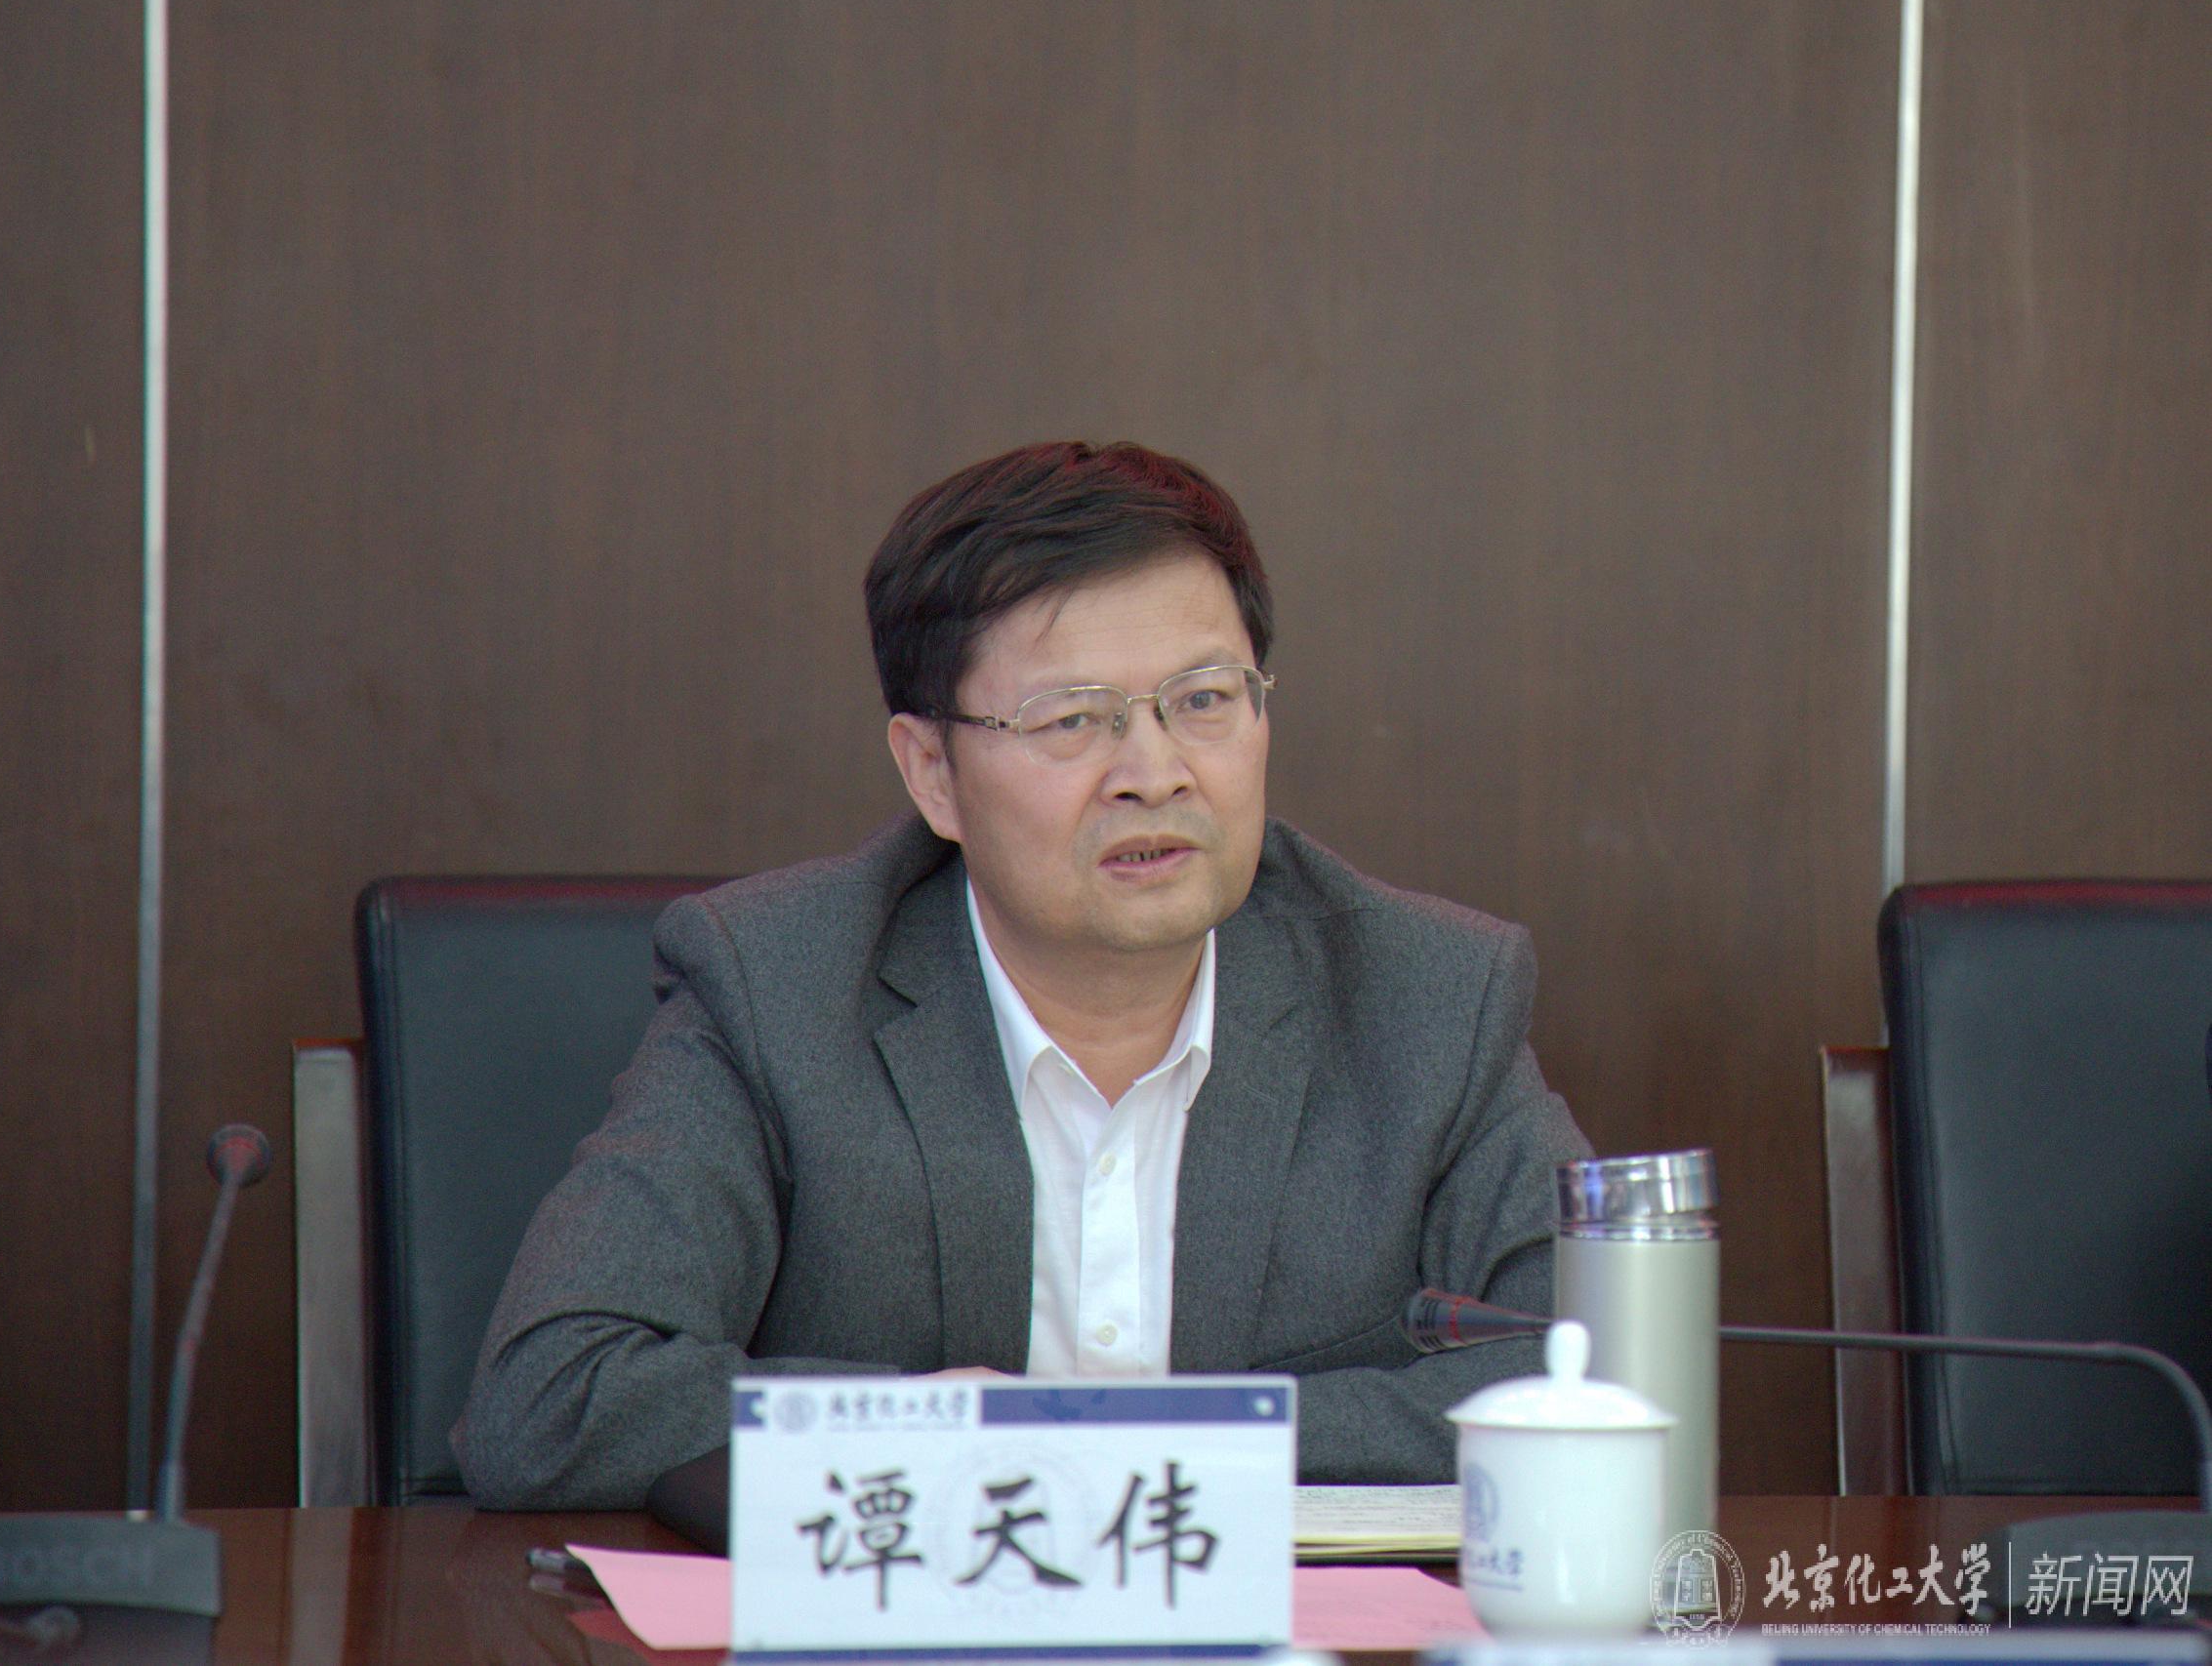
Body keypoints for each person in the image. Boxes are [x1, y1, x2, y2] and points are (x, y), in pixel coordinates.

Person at [456, 440, 1589, 1509]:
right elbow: (550, 1399)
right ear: (932, 772)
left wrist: (1102, 1438)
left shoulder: (1428, 994)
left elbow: (1595, 1376)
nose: (1154, 772)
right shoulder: (778, 986)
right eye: (1072, 718)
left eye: (1203, 698)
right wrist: (935, 1428)